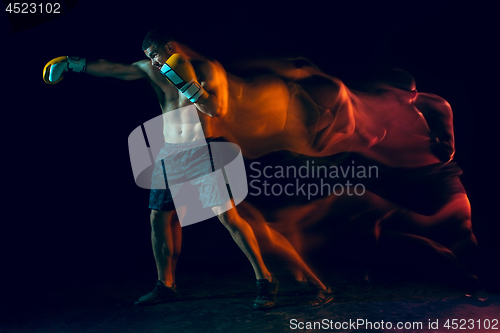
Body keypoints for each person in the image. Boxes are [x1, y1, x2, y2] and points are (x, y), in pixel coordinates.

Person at [42, 27, 334, 309]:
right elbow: (113, 68)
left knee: (229, 218)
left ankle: (265, 279)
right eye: (149, 55)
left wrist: (187, 84)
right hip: (169, 152)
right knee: (159, 217)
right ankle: (165, 285)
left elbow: (216, 110)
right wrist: (72, 63)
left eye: (156, 53)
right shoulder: (151, 69)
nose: (154, 60)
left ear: (170, 47)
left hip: (203, 149)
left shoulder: (207, 69)